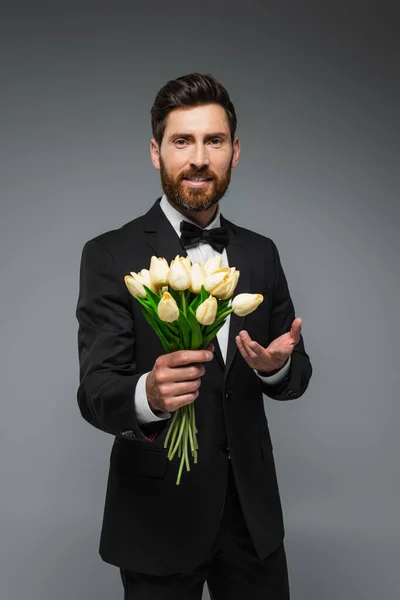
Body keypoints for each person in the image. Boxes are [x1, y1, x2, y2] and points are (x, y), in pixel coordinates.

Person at [75, 72, 312, 599]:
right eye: (182, 141)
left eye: (214, 140)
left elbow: (297, 372)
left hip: (253, 521)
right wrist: (149, 396)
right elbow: (95, 394)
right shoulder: (109, 255)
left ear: (235, 151)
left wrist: (276, 370)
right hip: (156, 521)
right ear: (156, 152)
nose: (199, 157)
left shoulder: (260, 252)